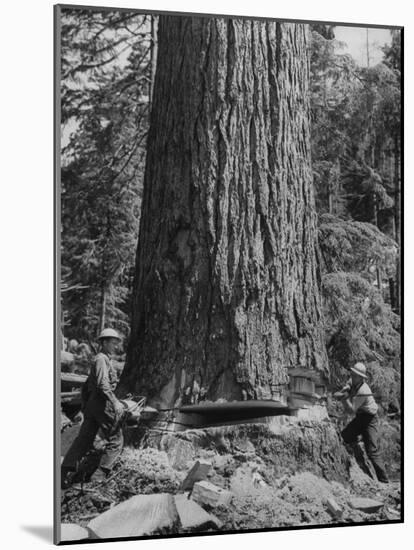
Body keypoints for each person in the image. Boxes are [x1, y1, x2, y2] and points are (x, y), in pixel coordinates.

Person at [61, 328, 125, 488]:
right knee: (116, 440)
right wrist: (115, 402)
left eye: (116, 342)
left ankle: (63, 473)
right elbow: (103, 384)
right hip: (102, 404)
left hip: (92, 406)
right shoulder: (101, 359)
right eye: (112, 342)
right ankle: (98, 477)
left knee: (84, 440)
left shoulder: (103, 359)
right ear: (103, 343)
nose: (115, 345)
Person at [334, 362, 389, 483]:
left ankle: (384, 481)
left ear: (361, 377)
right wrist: (344, 390)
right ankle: (357, 442)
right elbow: (348, 385)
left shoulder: (364, 391)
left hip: (370, 419)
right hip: (361, 416)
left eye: (355, 375)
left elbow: (351, 410)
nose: (352, 376)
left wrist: (343, 399)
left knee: (372, 451)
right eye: (352, 374)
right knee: (345, 436)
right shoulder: (353, 380)